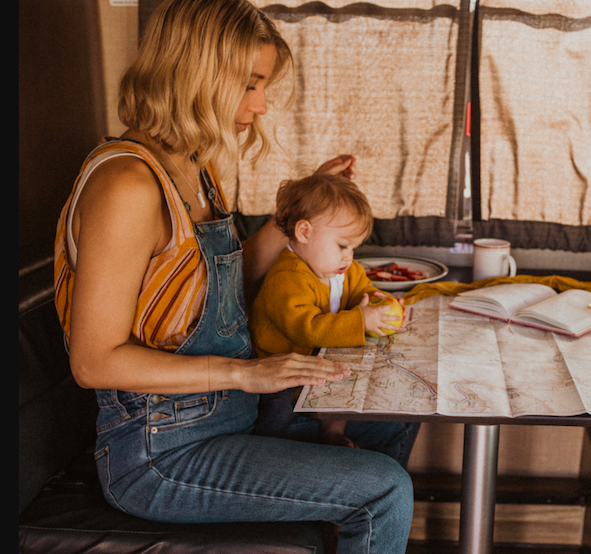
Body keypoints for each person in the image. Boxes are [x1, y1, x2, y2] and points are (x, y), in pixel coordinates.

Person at [52, 1, 413, 552]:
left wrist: (296, 221)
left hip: (225, 419)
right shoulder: (127, 184)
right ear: (196, 74)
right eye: (249, 84)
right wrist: (246, 375)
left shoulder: (196, 171)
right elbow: (93, 360)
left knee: (393, 416)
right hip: (159, 453)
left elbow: (213, 290)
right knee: (385, 488)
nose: (261, 105)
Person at [250, 173, 417, 462]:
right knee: (277, 410)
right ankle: (260, 455)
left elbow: (361, 291)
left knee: (343, 383)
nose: (349, 257)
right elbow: (308, 329)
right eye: (342, 246)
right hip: (283, 371)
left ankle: (332, 433)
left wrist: (382, 304)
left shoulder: (339, 268)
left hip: (319, 364)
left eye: (354, 248)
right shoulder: (287, 277)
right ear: (304, 232)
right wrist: (361, 321)